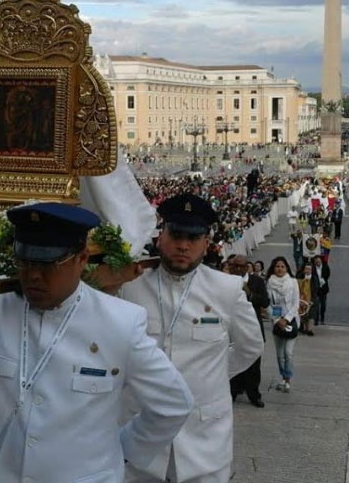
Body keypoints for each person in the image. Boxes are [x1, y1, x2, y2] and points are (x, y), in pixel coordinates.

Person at [0, 202, 194, 483]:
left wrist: (119, 451)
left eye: (49, 264)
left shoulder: (120, 323)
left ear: (82, 259)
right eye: (25, 262)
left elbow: (174, 404)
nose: (34, 276)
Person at [120, 194, 264, 483]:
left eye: (193, 238)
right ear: (161, 236)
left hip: (203, 436)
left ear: (206, 243)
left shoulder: (226, 288)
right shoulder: (129, 285)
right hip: (140, 431)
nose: (183, 246)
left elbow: (251, 345)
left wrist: (212, 378)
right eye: (176, 235)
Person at [227, 254, 269, 408]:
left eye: (241, 266)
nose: (237, 269)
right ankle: (232, 392)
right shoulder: (225, 281)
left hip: (252, 328)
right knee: (231, 359)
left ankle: (253, 394)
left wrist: (250, 294)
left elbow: (265, 301)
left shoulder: (256, 281)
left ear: (247, 267)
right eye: (234, 266)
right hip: (231, 328)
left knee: (253, 364)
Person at [265, 256, 300, 393]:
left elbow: (296, 303)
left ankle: (288, 378)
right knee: (280, 354)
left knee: (288, 353)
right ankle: (282, 375)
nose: (280, 269)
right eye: (277, 266)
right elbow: (269, 304)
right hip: (276, 321)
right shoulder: (269, 283)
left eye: (282, 266)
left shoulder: (292, 282)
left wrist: (287, 319)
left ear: (287, 268)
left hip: (291, 320)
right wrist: (277, 320)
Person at [311, 254, 331, 325]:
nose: (318, 263)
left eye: (319, 261)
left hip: (323, 288)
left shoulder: (325, 267)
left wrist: (324, 280)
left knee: (323, 305)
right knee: (316, 305)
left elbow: (328, 274)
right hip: (316, 289)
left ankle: (322, 318)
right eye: (316, 262)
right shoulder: (313, 268)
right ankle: (316, 320)